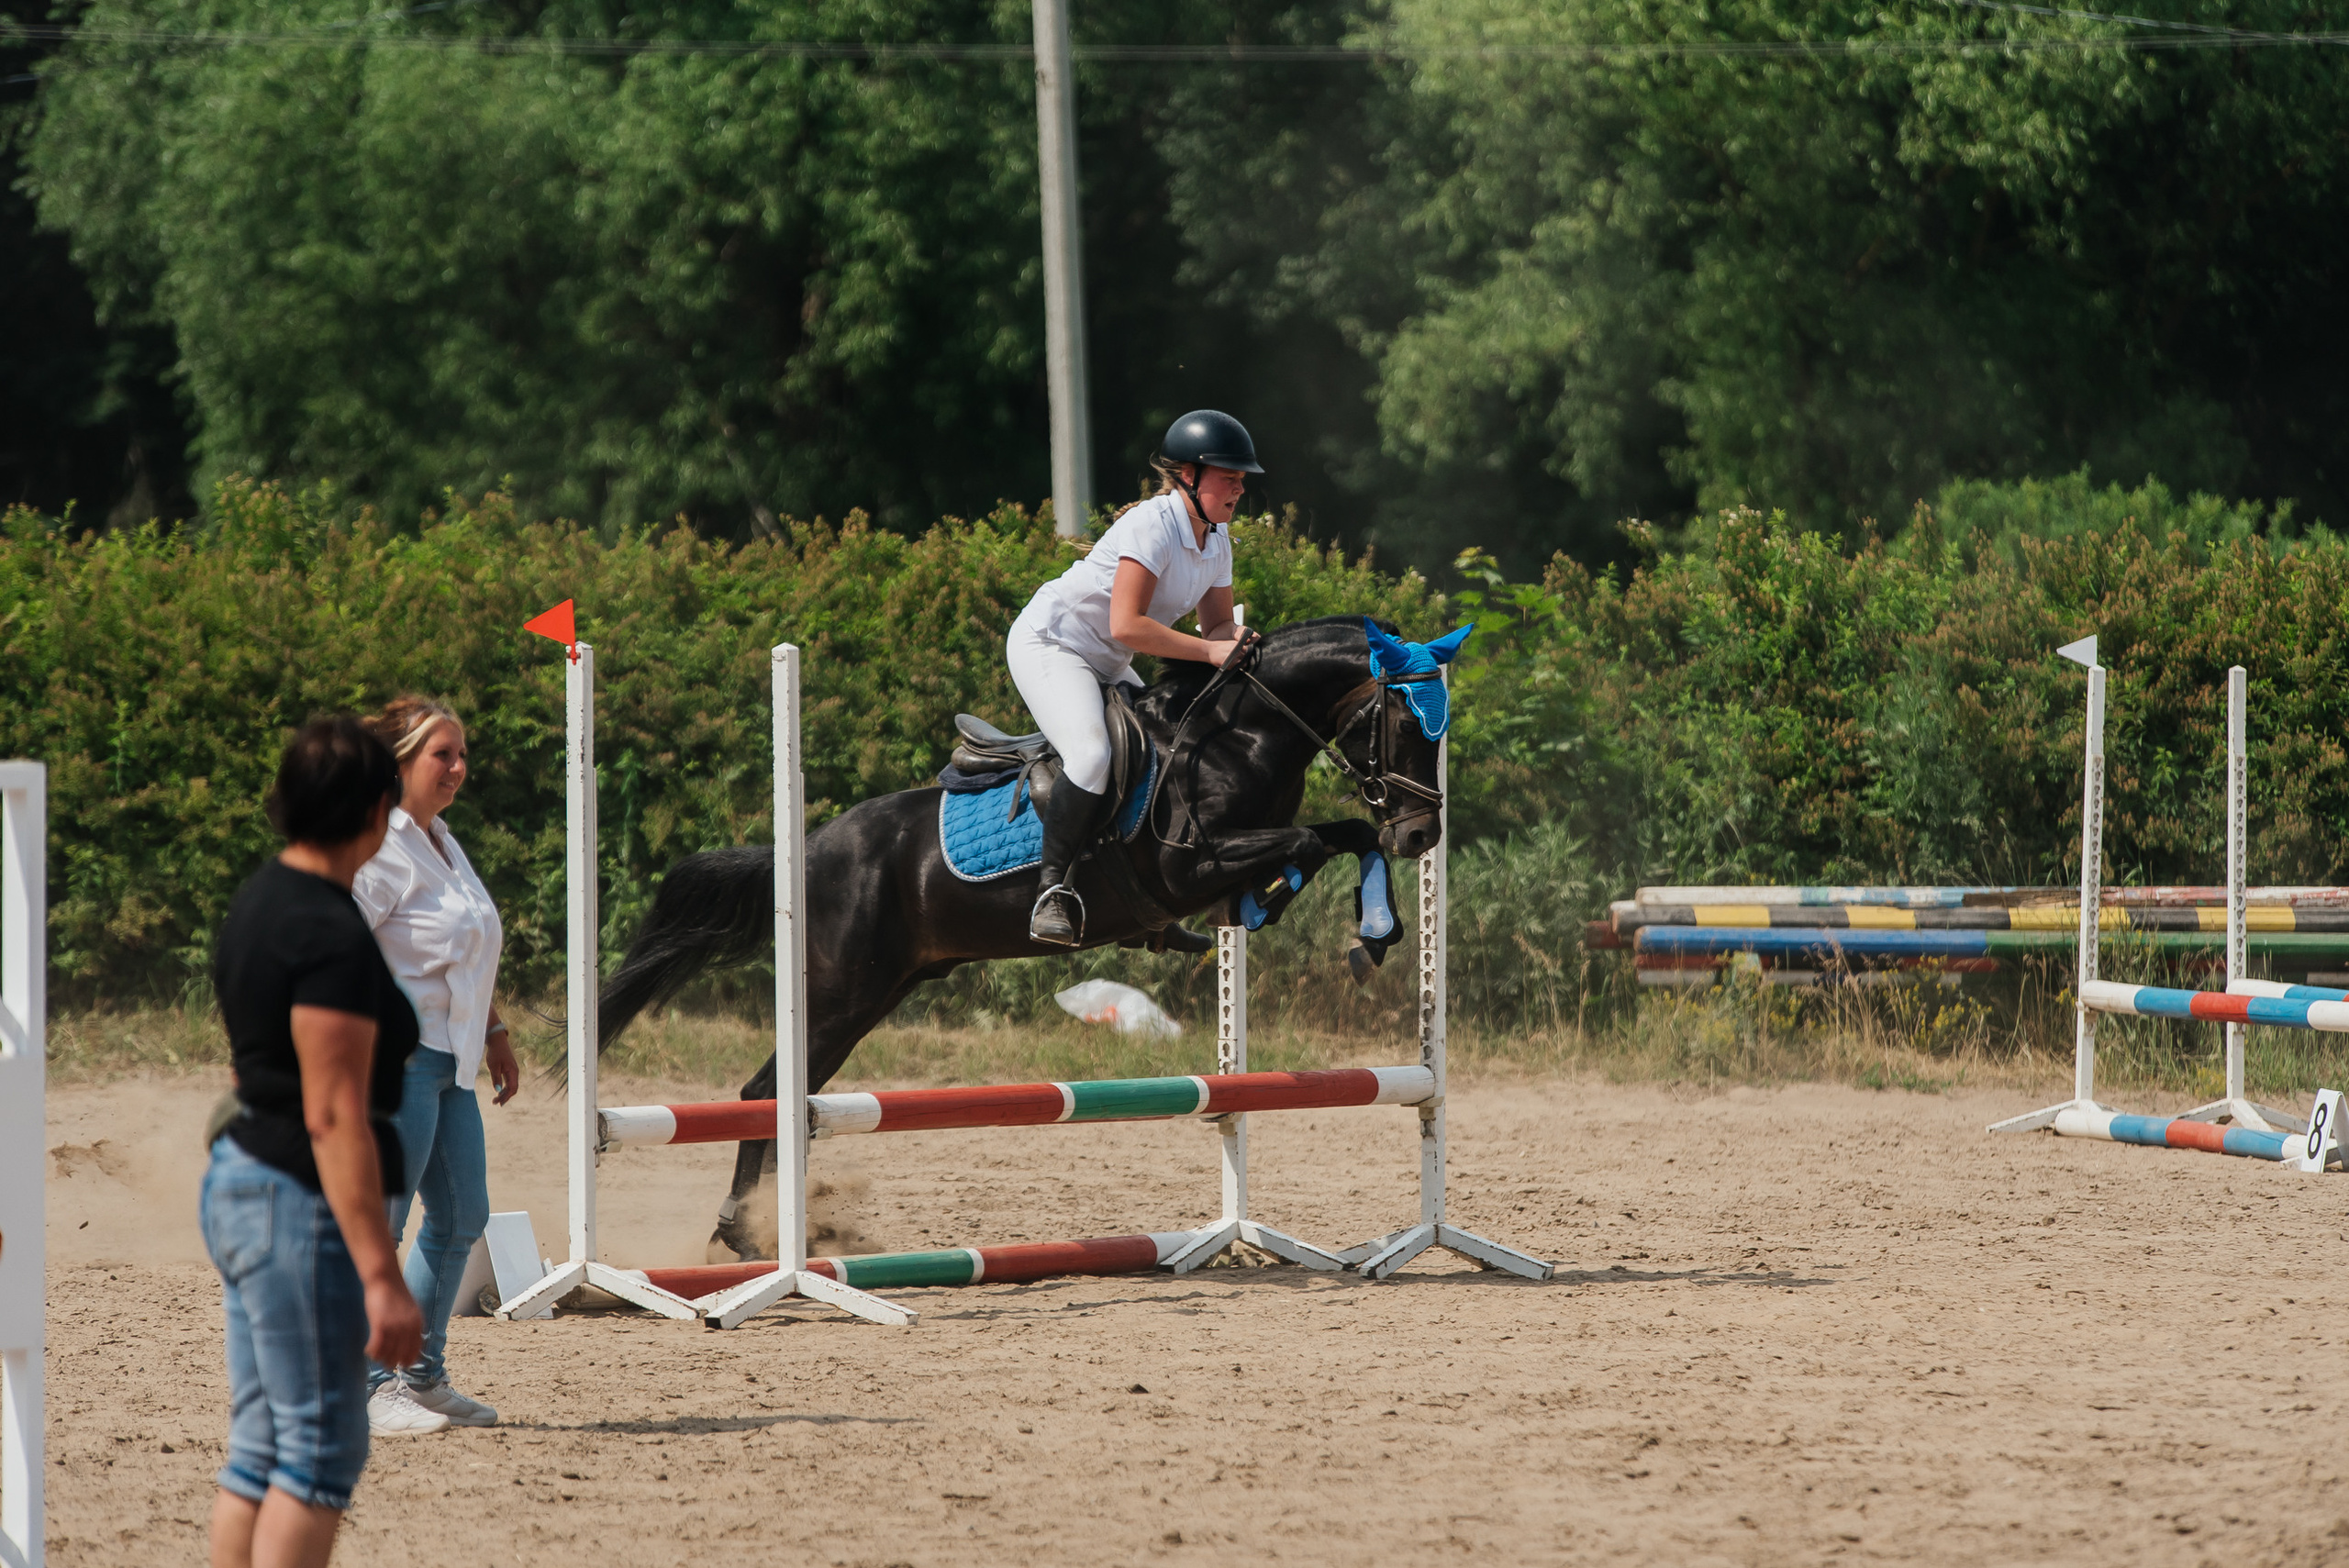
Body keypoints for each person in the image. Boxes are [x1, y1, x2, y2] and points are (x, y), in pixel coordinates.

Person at [203, 717, 422, 1568]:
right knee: (321, 1451)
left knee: (261, 1446)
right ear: (376, 810)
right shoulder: (326, 930)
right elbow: (335, 1113)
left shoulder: (259, 900)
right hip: (298, 1194)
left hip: (248, 1174)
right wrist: (381, 1273)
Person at [1008, 409, 1262, 945]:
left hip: (1104, 659)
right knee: (1093, 757)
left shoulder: (1216, 541)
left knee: (1173, 754)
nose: (1240, 487)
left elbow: (1214, 622)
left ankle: (1137, 912)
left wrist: (1234, 639)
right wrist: (1212, 653)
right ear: (1189, 475)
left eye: (1242, 478)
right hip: (1052, 643)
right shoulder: (1153, 524)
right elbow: (1127, 625)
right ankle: (1051, 892)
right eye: (1229, 476)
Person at [353, 696, 518, 1436]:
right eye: (440, 755)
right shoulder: (380, 846)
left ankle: (418, 1376)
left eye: (460, 754)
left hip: (450, 1061)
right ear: (400, 764)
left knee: (461, 1216)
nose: (457, 767)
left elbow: (468, 950)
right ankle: (363, 1386)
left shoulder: (442, 840)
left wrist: (495, 1031)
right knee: (382, 1225)